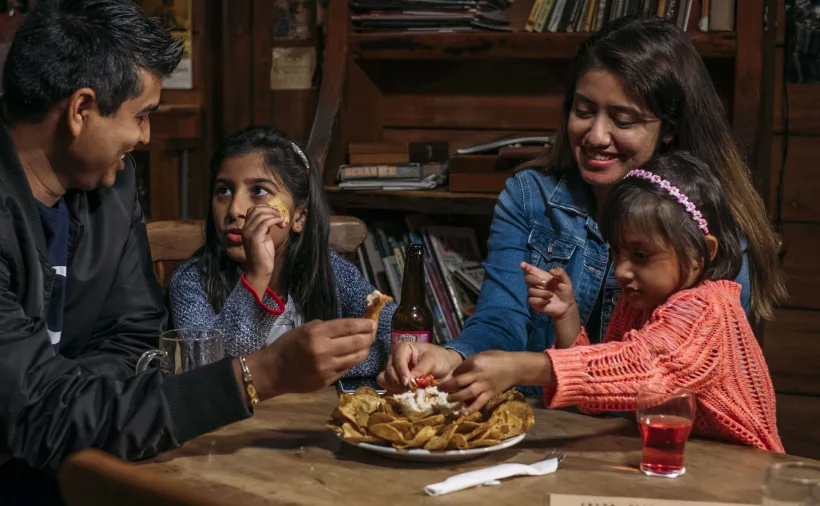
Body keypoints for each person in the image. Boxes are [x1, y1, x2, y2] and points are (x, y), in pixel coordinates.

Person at [0, 1, 375, 504]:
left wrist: (21, 419)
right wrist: (259, 374)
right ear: (80, 110)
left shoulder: (110, 186)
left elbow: (136, 343)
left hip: (92, 463)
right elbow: (46, 409)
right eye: (140, 117)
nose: (146, 137)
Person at [377, 16, 786, 390]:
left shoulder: (706, 224)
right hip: (548, 426)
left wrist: (528, 368)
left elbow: (661, 365)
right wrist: (452, 357)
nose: (596, 136)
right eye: (584, 111)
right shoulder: (529, 197)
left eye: (623, 120)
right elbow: (500, 321)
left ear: (668, 129)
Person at [436, 152, 784, 453]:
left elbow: (642, 368)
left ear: (700, 253)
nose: (621, 270)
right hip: (682, 464)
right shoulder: (638, 303)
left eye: (641, 255)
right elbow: (603, 392)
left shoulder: (708, 310)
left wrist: (519, 367)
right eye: (616, 252)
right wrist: (567, 316)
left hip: (738, 475)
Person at [169, 125, 395, 375]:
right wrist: (256, 276)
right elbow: (207, 372)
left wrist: (310, 363)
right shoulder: (192, 281)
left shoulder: (328, 270)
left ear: (298, 218)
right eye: (224, 190)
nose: (234, 209)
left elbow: (395, 333)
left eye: (259, 191)